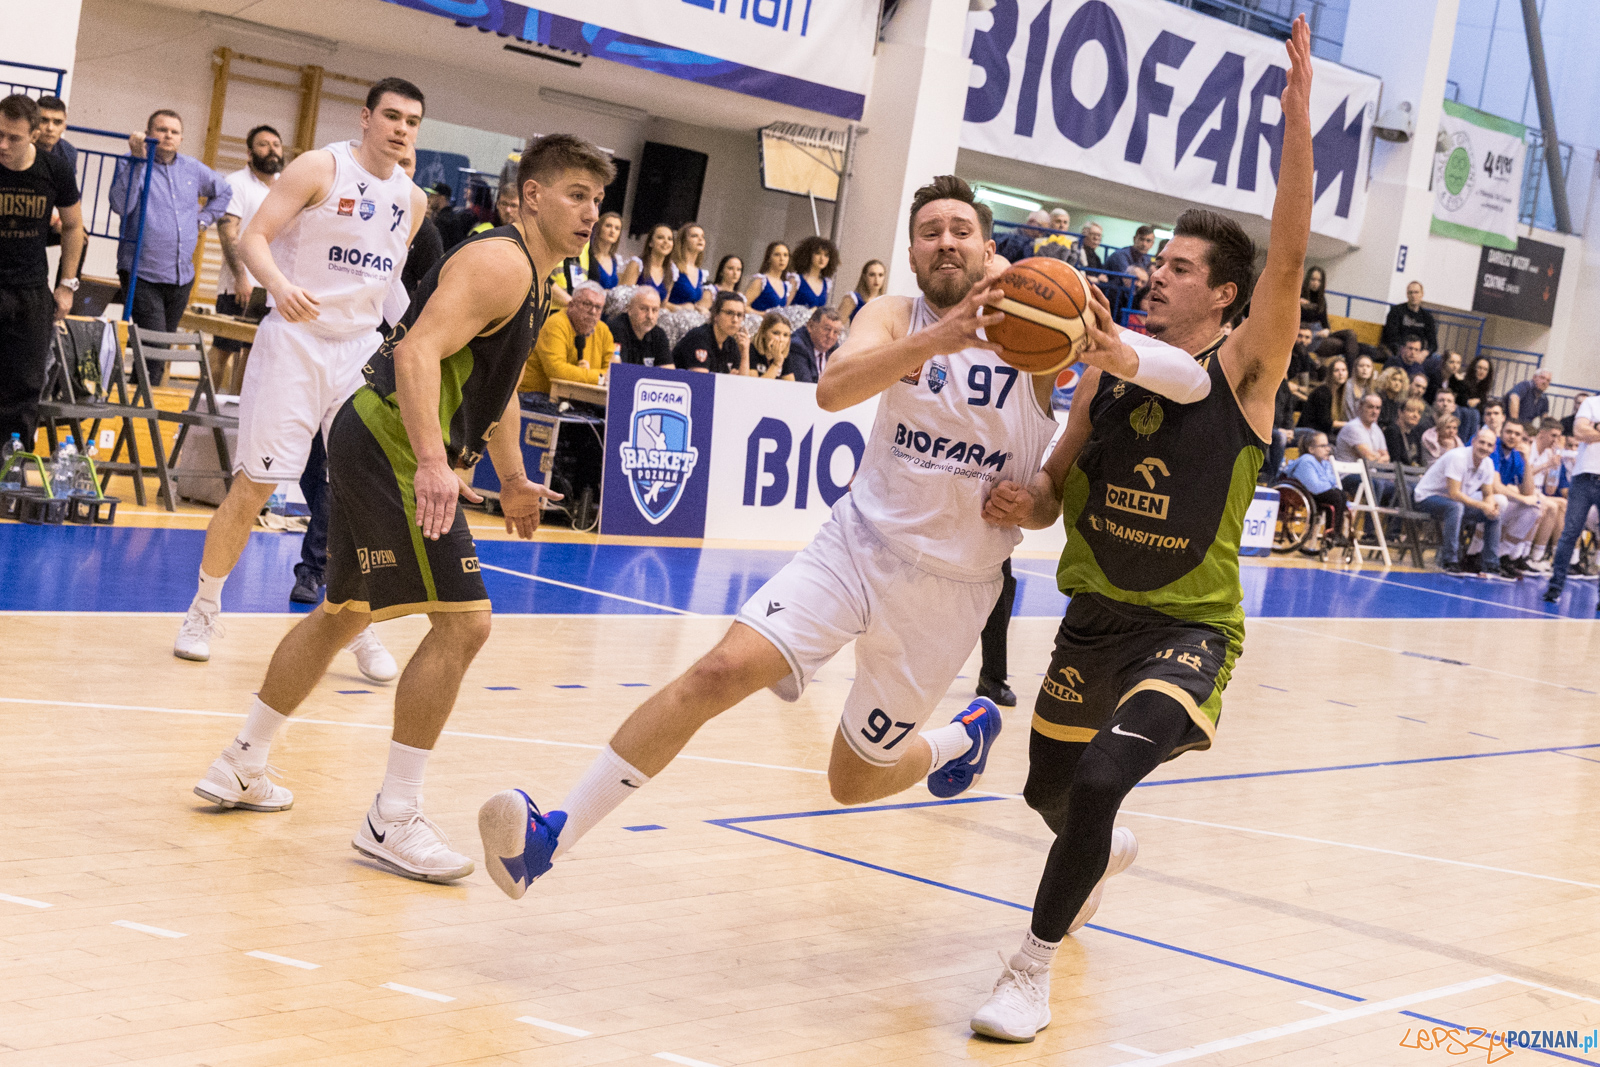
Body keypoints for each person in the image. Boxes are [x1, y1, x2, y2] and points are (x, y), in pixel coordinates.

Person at [475, 170, 1207, 906]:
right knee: (719, 670)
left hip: (953, 590)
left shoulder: (1051, 336)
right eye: (930, 233)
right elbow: (834, 391)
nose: (945, 241)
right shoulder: (896, 315)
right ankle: (551, 837)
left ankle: (959, 740)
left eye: (961, 230)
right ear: (915, 254)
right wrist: (943, 334)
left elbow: (1054, 494)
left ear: (989, 248)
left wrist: (1034, 499)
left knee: (850, 781)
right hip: (857, 546)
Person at [960, 20, 1319, 1043]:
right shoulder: (1098, 375)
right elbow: (1050, 495)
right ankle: (1095, 846)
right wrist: (1017, 502)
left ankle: (1028, 968)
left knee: (1107, 778)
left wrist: (1294, 122)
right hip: (1093, 620)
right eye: (1156, 260)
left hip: (1188, 629)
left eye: (1182, 265)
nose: (1157, 275)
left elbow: (1288, 248)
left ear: (1223, 294)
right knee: (1052, 791)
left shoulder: (1244, 372)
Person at [190, 133, 605, 884]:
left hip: (372, 433)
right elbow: (414, 353)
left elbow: (499, 382)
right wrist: (436, 464)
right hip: (392, 439)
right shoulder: (502, 261)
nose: (591, 211)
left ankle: (241, 763)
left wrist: (512, 476)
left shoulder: (537, 277)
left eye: (599, 199)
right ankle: (393, 815)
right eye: (576, 194)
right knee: (466, 622)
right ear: (533, 196)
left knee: (344, 612)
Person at [171, 78, 425, 670]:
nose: (401, 128)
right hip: (294, 342)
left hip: (358, 351)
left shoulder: (411, 200)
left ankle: (353, 621)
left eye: (412, 121)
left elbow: (389, 284)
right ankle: (204, 606)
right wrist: (279, 288)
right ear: (366, 118)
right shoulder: (319, 167)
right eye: (391, 116)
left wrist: (419, 339)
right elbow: (255, 237)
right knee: (255, 487)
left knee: (360, 495)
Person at [292, 148, 443, 614]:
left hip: (377, 361)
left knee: (342, 474)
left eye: (409, 168)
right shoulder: (354, 212)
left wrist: (415, 343)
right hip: (315, 346)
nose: (399, 173)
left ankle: (316, 571)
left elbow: (426, 299)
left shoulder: (425, 230)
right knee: (306, 468)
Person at [0, 94, 84, 447]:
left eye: (13, 138)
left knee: (26, 384)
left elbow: (74, 226)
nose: (2, 144)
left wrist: (66, 285)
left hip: (32, 291)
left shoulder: (55, 170)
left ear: (34, 135)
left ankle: (11, 471)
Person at [110, 109, 232, 336]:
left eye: (174, 132)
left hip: (181, 277)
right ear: (148, 133)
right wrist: (138, 161)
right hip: (141, 273)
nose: (168, 135)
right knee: (154, 347)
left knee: (158, 352)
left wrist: (203, 221)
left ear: (181, 139)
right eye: (162, 129)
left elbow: (224, 191)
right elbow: (120, 206)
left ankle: (141, 374)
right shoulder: (129, 162)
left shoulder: (192, 167)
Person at [208, 124, 283, 392]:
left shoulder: (286, 187)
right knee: (223, 349)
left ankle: (236, 415)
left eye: (276, 144)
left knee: (254, 356)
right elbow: (229, 234)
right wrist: (241, 277)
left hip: (270, 289)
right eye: (264, 144)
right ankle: (204, 408)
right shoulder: (236, 184)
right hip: (239, 285)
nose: (272, 149)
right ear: (250, 153)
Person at [1413, 428, 1507, 575]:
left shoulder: (1488, 463)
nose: (1484, 447)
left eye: (1489, 445)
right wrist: (1483, 505)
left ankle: (1490, 564)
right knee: (1456, 507)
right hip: (1427, 498)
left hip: (1455, 503)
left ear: (1493, 448)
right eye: (1482, 442)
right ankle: (1449, 560)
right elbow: (1454, 493)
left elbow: (1488, 493)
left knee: (1495, 513)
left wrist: (1490, 506)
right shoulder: (1458, 457)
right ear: (1474, 441)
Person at [1542, 391, 1600, 603]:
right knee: (1569, 534)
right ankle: (1555, 587)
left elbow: (1587, 432)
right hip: (1583, 478)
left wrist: (1594, 429)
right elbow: (1578, 431)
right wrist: (1589, 431)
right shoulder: (1592, 403)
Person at [519, 280, 612, 395]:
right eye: (587, 304)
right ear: (571, 304)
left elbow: (613, 373)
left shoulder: (603, 331)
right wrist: (599, 377)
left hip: (578, 397)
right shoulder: (556, 324)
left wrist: (585, 374)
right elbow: (557, 371)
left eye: (598, 307)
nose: (593, 311)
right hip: (536, 396)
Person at [1492, 420, 1552, 573]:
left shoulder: (1516, 456)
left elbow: (1527, 491)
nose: (1512, 436)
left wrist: (1526, 461)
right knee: (1499, 501)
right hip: (1477, 495)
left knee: (1534, 509)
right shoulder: (1493, 446)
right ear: (1501, 433)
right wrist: (1524, 499)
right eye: (1509, 432)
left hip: (1496, 498)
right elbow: (1495, 486)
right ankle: (1475, 554)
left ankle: (1504, 555)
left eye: (1517, 434)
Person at [1281, 432, 1345, 552]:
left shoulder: (1324, 463)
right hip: (1308, 493)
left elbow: (1332, 480)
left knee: (1340, 494)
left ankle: (1335, 533)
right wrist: (1331, 487)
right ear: (1311, 449)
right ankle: (1333, 534)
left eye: (1328, 445)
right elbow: (1314, 486)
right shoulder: (1307, 460)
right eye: (1323, 446)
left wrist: (1332, 486)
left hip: (1318, 493)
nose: (1327, 449)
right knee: (1336, 495)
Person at [670, 288, 749, 374]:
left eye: (740, 315)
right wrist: (728, 379)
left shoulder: (731, 343)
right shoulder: (698, 338)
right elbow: (701, 381)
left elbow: (743, 384)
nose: (735, 320)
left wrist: (745, 352)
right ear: (715, 314)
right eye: (729, 313)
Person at [607, 285, 670, 368]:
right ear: (629, 309)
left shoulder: (659, 334)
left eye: (654, 310)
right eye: (644, 309)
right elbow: (620, 371)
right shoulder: (616, 329)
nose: (650, 316)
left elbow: (668, 372)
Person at [783, 306, 843, 383]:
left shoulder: (834, 349)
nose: (830, 336)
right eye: (827, 329)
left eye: (835, 332)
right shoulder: (797, 346)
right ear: (810, 326)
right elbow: (805, 384)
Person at [665, 221, 712, 312]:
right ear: (684, 241)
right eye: (694, 236)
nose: (700, 239)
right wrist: (679, 308)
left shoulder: (700, 273)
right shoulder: (673, 268)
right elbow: (661, 301)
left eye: (702, 236)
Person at [1381, 280, 1438, 355]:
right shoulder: (1396, 311)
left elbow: (1433, 344)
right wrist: (1406, 351)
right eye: (1410, 292)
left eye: (1416, 292)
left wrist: (1425, 353)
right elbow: (1391, 337)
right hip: (1399, 351)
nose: (1413, 295)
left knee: (1437, 359)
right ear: (1407, 295)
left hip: (1419, 353)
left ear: (1422, 294)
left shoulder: (1427, 317)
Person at [624, 223, 672, 303]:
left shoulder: (671, 271)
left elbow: (663, 305)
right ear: (650, 243)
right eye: (660, 238)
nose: (666, 242)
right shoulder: (637, 264)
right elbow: (623, 297)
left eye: (670, 239)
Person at [1299, 356, 1346, 438]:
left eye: (1343, 370)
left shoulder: (1340, 394)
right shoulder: (1322, 392)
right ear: (1330, 374)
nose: (1341, 373)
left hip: (1321, 433)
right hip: (1307, 432)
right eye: (1336, 370)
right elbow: (1325, 423)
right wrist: (1349, 424)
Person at [791, 235, 838, 308]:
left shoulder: (826, 283)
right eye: (818, 253)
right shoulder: (796, 280)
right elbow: (784, 309)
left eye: (826, 255)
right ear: (809, 255)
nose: (822, 258)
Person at [744, 241, 794, 311]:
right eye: (777, 255)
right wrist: (763, 315)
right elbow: (743, 306)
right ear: (769, 258)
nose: (782, 259)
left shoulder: (786, 285)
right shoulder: (761, 281)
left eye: (785, 255)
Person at [585, 211, 627, 289]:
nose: (612, 231)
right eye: (608, 226)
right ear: (599, 228)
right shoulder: (588, 255)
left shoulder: (614, 259)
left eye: (617, 228)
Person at [34, 96, 75, 174]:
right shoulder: (20, 146)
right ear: (33, 122)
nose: (50, 128)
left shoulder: (69, 152)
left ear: (64, 126)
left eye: (57, 122)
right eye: (44, 120)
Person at [838, 259, 886, 325]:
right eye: (872, 275)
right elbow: (837, 324)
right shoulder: (853, 298)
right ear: (864, 276)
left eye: (880, 275)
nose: (876, 279)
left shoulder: (884, 302)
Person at [745, 311, 790, 379]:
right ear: (763, 333)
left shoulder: (785, 356)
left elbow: (790, 386)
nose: (781, 339)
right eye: (776, 333)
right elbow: (755, 386)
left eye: (785, 335)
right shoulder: (751, 350)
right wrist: (776, 364)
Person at [1385, 398, 1426, 467]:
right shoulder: (1392, 431)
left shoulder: (1415, 434)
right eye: (1411, 411)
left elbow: (1419, 461)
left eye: (1419, 412)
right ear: (1400, 412)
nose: (1415, 415)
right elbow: (1395, 461)